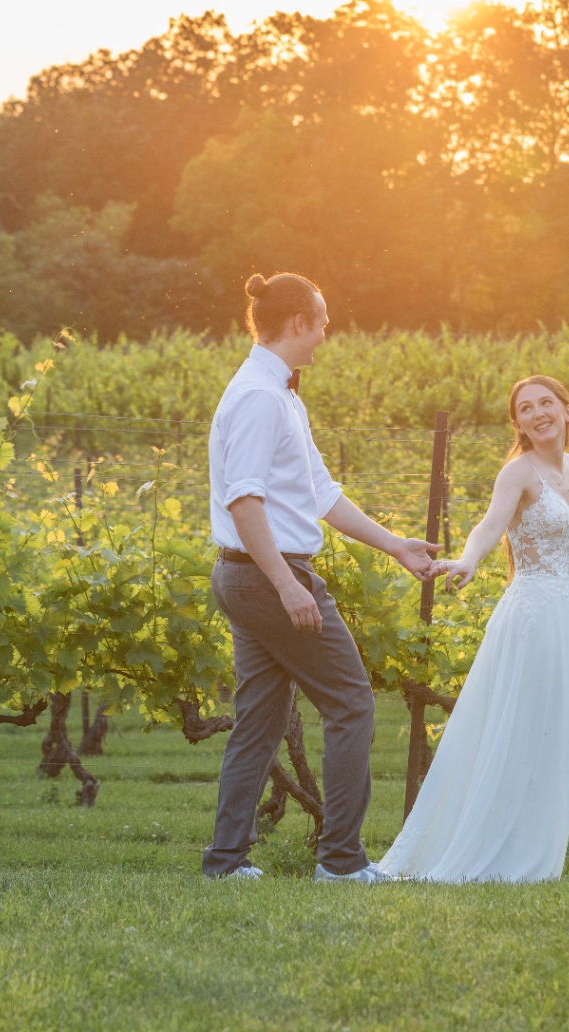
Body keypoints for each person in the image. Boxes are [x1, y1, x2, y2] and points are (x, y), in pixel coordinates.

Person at [202, 272, 440, 882]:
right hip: (268, 577)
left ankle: (225, 863)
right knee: (351, 703)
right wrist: (287, 585)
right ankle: (341, 860)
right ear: (299, 323)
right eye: (323, 324)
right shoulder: (259, 397)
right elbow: (245, 502)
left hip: (249, 575)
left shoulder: (279, 395)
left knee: (258, 719)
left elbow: (323, 494)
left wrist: (394, 546)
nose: (326, 336)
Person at [378, 374, 569, 883]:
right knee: (521, 734)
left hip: (562, 620)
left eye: (546, 403)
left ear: (565, 409)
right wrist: (469, 560)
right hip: (531, 617)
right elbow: (490, 525)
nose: (538, 413)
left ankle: (531, 853)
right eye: (526, 408)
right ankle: (497, 855)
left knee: (559, 738)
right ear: (516, 423)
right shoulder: (519, 473)